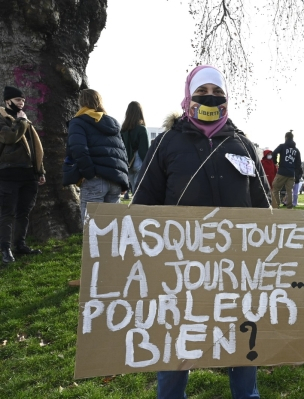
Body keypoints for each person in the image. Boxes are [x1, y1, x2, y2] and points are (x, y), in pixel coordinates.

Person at [132, 65, 267, 399]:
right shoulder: (165, 143)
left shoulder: (243, 144)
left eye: (217, 92)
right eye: (202, 93)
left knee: (242, 337)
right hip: (178, 267)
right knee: (177, 340)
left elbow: (263, 207)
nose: (210, 98)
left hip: (237, 266)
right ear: (188, 97)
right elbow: (142, 206)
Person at [66, 89, 129, 223]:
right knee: (112, 229)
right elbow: (122, 153)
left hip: (95, 179)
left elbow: (78, 149)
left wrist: (88, 174)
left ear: (81, 103)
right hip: (115, 180)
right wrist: (123, 181)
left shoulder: (78, 122)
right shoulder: (113, 123)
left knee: (92, 230)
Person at [0, 86, 46, 263]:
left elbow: (34, 147)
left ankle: (19, 245)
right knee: (7, 213)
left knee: (24, 212)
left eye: (23, 100)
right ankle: (5, 249)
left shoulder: (23, 119)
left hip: (28, 175)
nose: (22, 103)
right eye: (18, 100)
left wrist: (40, 171)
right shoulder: (4, 119)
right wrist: (21, 122)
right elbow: (9, 138)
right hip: (7, 173)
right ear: (7, 101)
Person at [120, 101, 149, 198]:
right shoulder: (141, 129)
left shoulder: (123, 130)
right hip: (138, 160)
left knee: (133, 189)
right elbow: (144, 151)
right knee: (139, 192)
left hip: (127, 163)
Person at [271, 130, 301, 209]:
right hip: (291, 173)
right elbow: (299, 163)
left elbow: (274, 153)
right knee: (289, 190)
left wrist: (275, 162)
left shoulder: (282, 146)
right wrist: (295, 172)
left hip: (282, 171)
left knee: (275, 188)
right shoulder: (296, 150)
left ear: (286, 138)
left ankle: (276, 206)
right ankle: (289, 207)